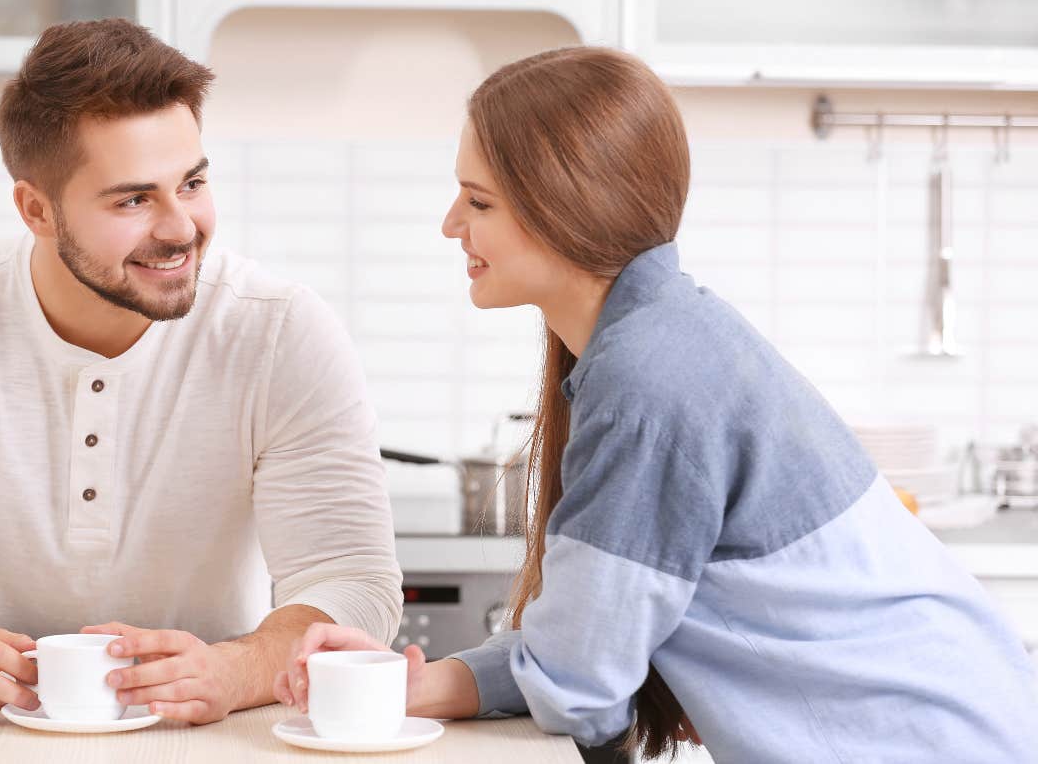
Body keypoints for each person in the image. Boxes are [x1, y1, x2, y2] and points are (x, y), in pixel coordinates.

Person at [274, 46, 1038, 762]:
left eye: (478, 201)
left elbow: (580, 689)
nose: (451, 224)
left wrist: (505, 682)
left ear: (564, 208)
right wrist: (424, 681)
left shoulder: (648, 378)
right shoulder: (659, 340)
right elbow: (578, 648)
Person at [0, 19, 401, 726]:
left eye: (192, 183)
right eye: (134, 199)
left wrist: (236, 668)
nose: (180, 227)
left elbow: (354, 580)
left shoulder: (280, 332)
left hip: (204, 736)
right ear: (36, 209)